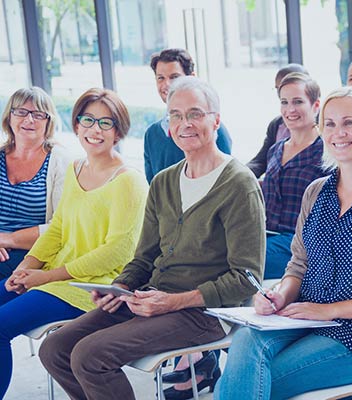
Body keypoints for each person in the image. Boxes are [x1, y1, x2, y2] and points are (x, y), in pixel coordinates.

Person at [38, 77, 265, 400]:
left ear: (216, 120)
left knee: (90, 355)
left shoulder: (238, 184)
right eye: (175, 115)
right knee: (55, 348)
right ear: (168, 126)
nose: (185, 123)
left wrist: (174, 301)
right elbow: (144, 256)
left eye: (195, 114)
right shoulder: (164, 182)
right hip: (150, 299)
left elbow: (247, 278)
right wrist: (121, 287)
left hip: (205, 312)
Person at [214, 85, 352, 399]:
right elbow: (297, 266)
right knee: (246, 341)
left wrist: (329, 311)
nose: (337, 132)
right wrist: (278, 295)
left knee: (243, 383)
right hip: (300, 317)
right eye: (329, 123)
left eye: (349, 123)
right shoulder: (316, 192)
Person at [0, 88, 147, 398]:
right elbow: (58, 229)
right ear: (76, 125)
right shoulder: (76, 169)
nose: (95, 130)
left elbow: (116, 252)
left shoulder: (128, 180)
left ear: (118, 131)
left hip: (92, 287)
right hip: (57, 276)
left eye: (105, 123)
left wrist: (45, 276)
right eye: (88, 120)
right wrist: (27, 266)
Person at [260, 73, 326, 279]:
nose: (290, 110)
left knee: (247, 260)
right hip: (267, 235)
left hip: (302, 244)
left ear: (316, 106)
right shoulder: (276, 149)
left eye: (298, 102)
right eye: (284, 102)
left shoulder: (327, 151)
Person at [0, 87, 71, 278]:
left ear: (48, 122)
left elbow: (63, 226)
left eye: (38, 114)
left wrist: (6, 239)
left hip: (32, 254)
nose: (29, 120)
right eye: (21, 112)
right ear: (9, 117)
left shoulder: (61, 162)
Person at [144, 48, 233, 182]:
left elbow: (225, 179)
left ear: (191, 78)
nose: (166, 84)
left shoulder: (213, 130)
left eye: (174, 77)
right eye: (160, 78)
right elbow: (153, 187)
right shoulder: (152, 134)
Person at [247, 63, 310, 177]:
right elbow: (261, 161)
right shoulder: (276, 125)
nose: (282, 93)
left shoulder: (325, 124)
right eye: (279, 89)